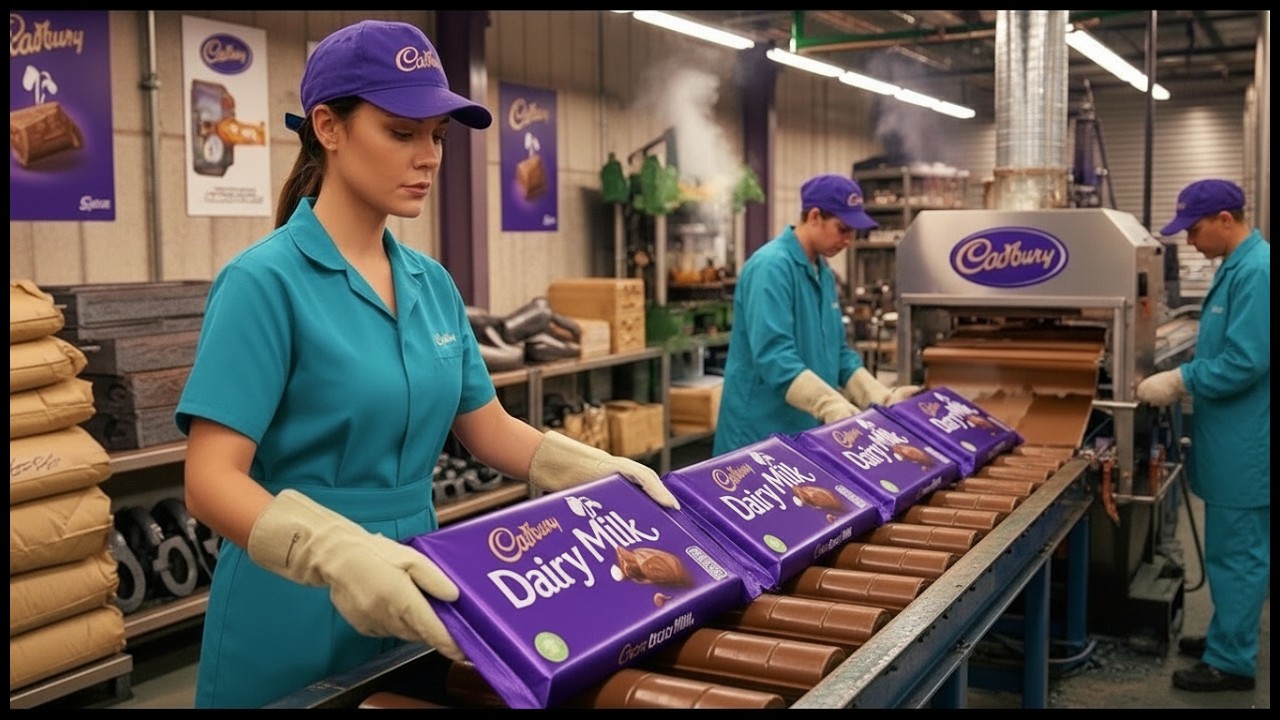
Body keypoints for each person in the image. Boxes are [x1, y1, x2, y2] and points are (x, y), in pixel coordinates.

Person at [174, 20, 678, 709]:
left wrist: (594, 471)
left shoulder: (431, 283)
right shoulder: (264, 283)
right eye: (401, 132)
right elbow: (209, 481)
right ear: (328, 127)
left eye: (437, 136)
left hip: (420, 578)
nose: (430, 157)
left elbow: (487, 428)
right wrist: (333, 553)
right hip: (293, 591)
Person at [1136, 178, 1269, 693]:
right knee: (1228, 551)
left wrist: (1180, 380)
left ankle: (1231, 662)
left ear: (1225, 220)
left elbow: (1246, 361)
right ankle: (1225, 637)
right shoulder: (1236, 267)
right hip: (1231, 438)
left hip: (1247, 444)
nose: (1190, 242)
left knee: (1237, 554)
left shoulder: (1256, 272)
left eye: (1194, 230)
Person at [713, 173, 920, 455]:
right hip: (758, 434)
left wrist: (882, 397)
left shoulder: (822, 273)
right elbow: (775, 358)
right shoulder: (771, 268)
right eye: (843, 229)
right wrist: (829, 404)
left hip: (800, 429)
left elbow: (839, 354)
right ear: (814, 217)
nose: (849, 240)